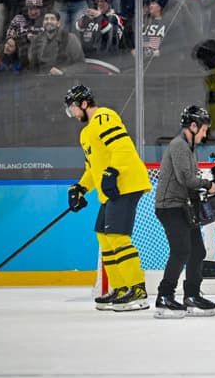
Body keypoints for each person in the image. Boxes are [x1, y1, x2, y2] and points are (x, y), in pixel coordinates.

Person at [64, 84, 152, 312]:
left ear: (84, 103)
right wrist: (80, 188)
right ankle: (121, 287)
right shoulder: (85, 134)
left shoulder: (105, 116)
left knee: (117, 236)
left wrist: (112, 172)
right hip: (111, 190)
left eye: (73, 108)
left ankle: (138, 289)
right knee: (104, 236)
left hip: (126, 184)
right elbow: (93, 169)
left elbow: (122, 147)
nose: (72, 114)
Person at [153, 105, 215, 319]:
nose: (205, 134)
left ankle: (191, 295)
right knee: (181, 251)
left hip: (182, 206)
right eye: (203, 129)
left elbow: (190, 182)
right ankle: (164, 296)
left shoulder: (190, 147)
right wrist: (208, 185)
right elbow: (186, 179)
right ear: (193, 126)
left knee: (197, 251)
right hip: (169, 207)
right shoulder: (179, 145)